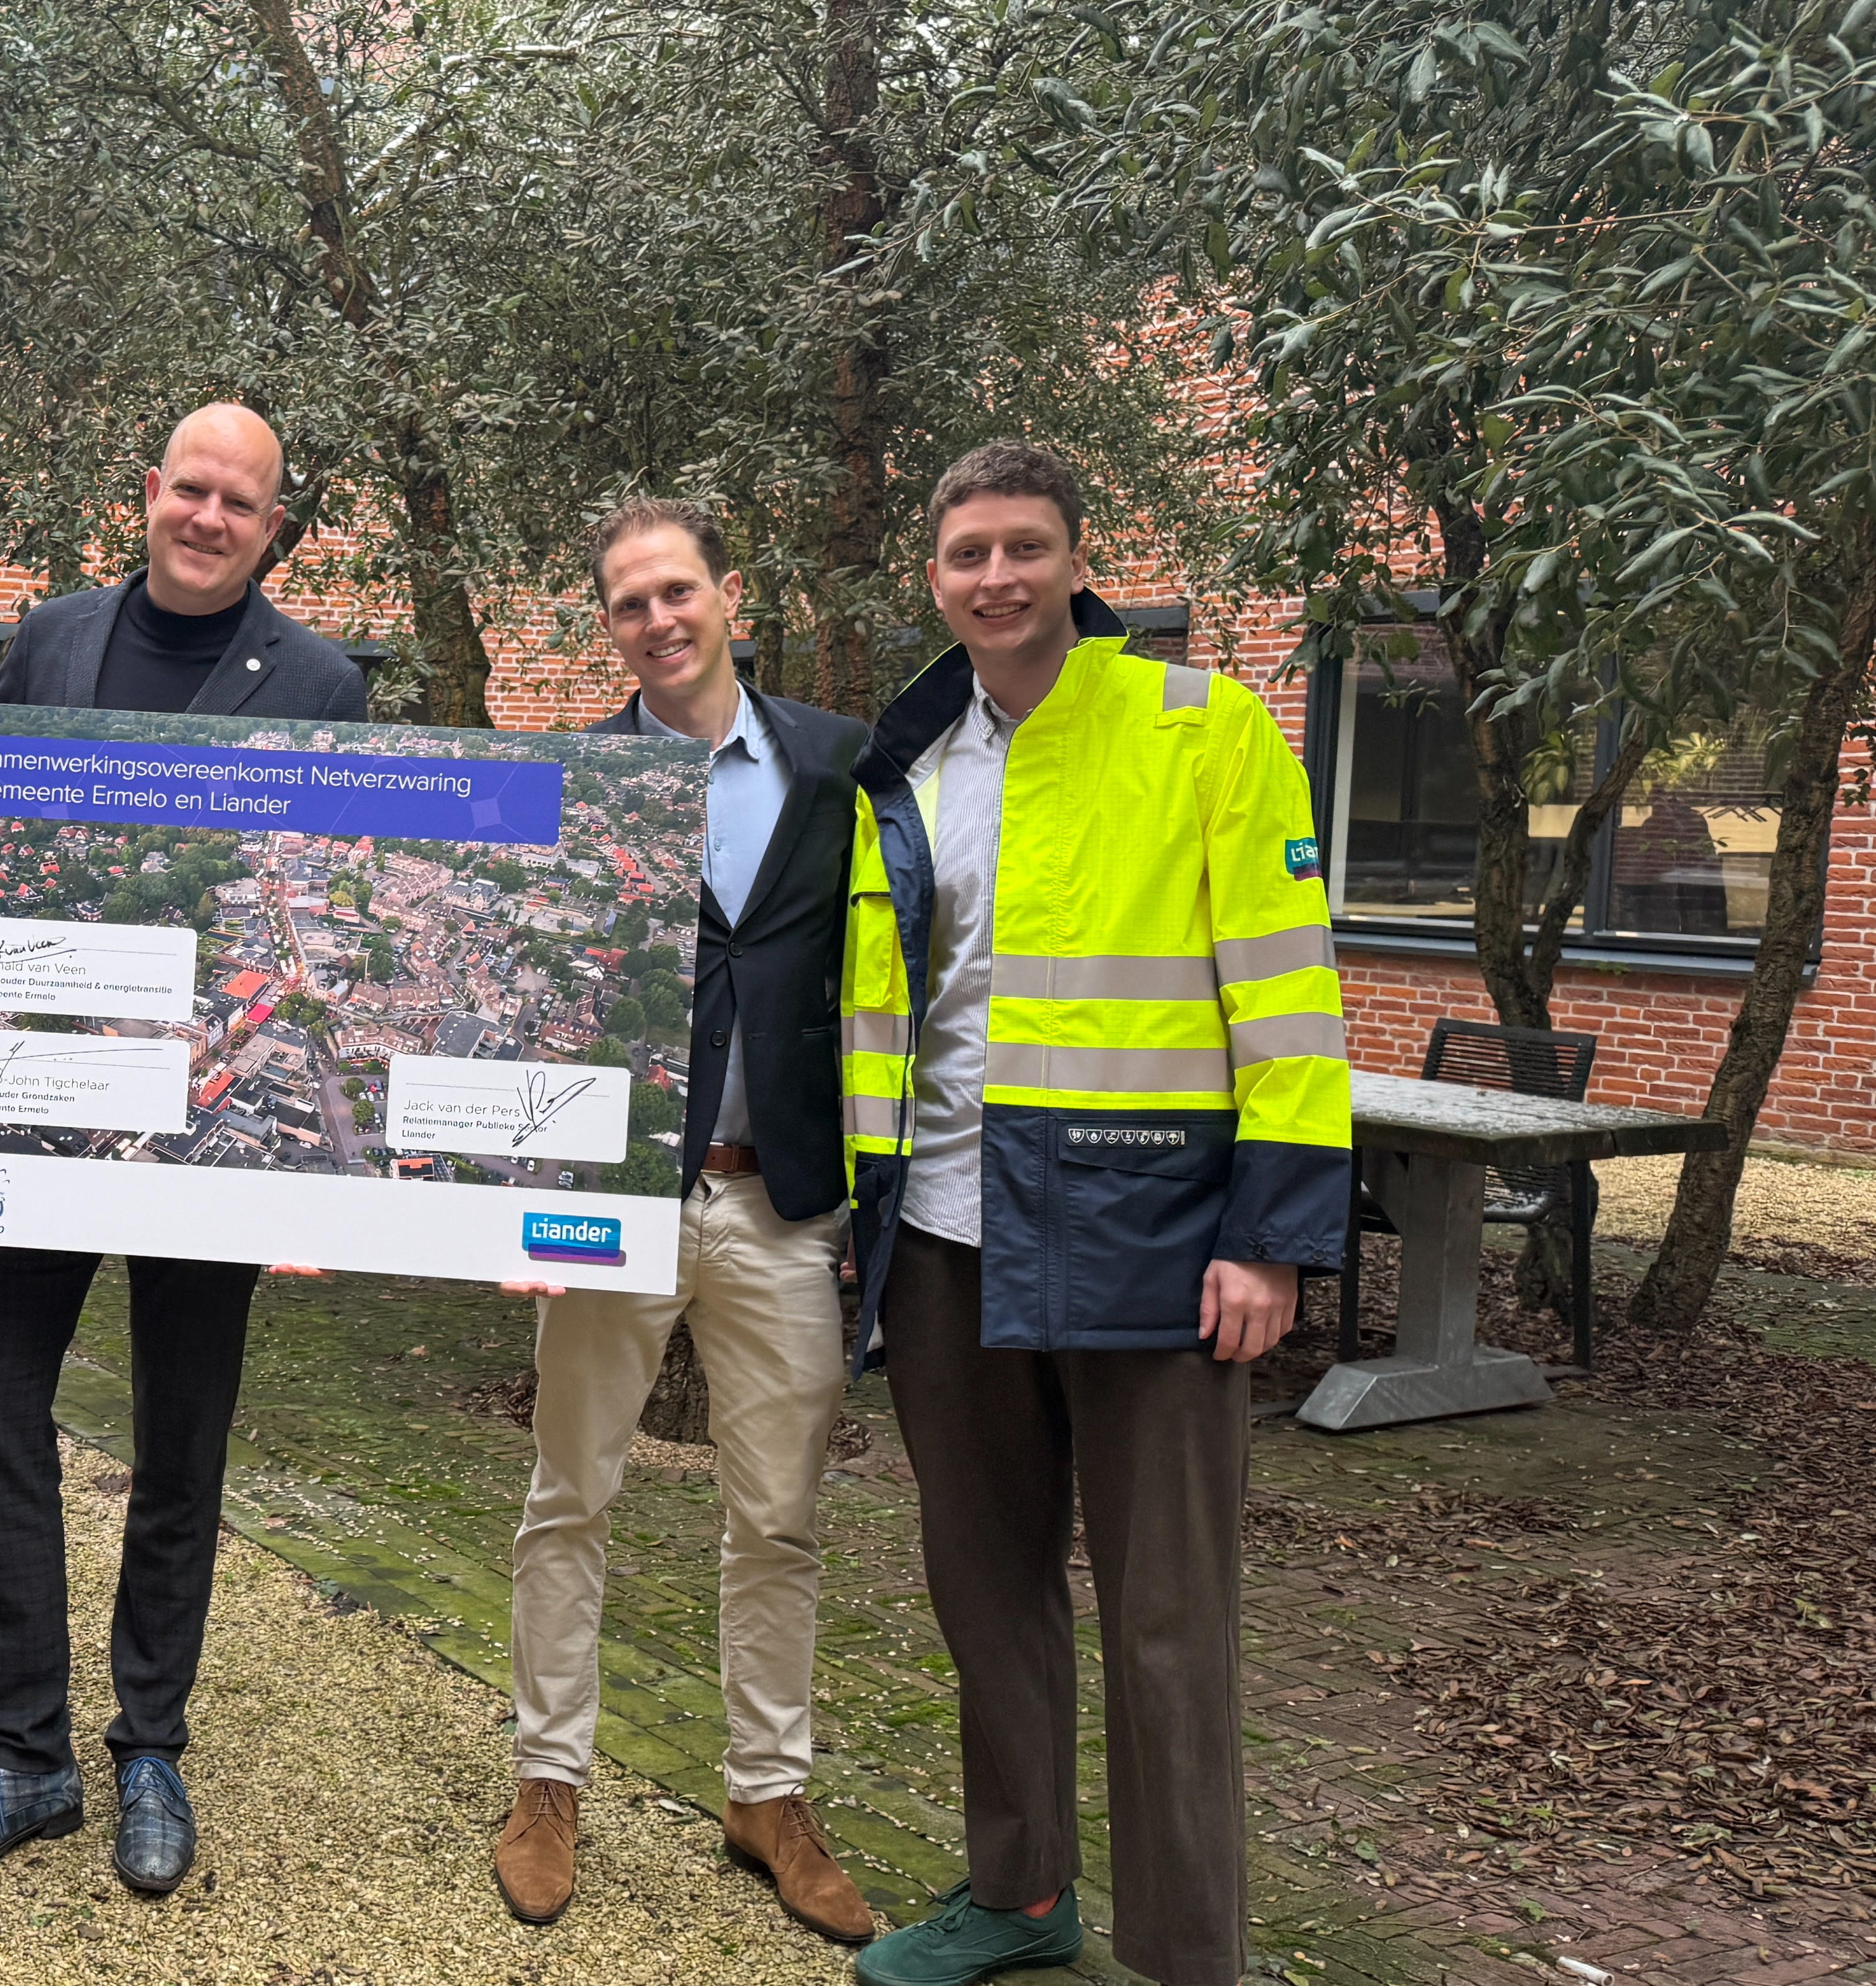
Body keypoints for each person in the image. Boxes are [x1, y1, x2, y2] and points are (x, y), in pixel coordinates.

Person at [837, 444, 1350, 1986]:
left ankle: (1190, 1954)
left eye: (1024, 548)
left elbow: (1288, 986)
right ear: (933, 577)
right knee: (983, 1588)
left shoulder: (1201, 725)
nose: (994, 577)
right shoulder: (909, 764)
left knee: (1169, 1625)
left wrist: (1272, 1232)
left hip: (1158, 1237)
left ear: (1079, 561)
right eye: (967, 554)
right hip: (938, 1232)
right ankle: (1021, 1895)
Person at [0, 402, 367, 1895]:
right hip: (46, 1097)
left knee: (184, 1432)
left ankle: (149, 1740)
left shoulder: (324, 683)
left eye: (242, 501)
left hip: (212, 1118)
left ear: (274, 527)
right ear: (150, 493)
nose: (209, 516)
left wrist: (316, 1170)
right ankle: (24, 1749)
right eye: (190, 489)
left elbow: (331, 906)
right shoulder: (46, 640)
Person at [485, 499, 873, 1941]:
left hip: (777, 1201)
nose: (658, 618)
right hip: (617, 1197)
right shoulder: (583, 779)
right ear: (610, 626)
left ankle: (768, 1793)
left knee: (777, 1512)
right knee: (569, 1490)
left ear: (729, 597)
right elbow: (532, 994)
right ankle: (547, 1776)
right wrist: (523, 1206)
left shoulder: (837, 760)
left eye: (678, 590)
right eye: (629, 601)